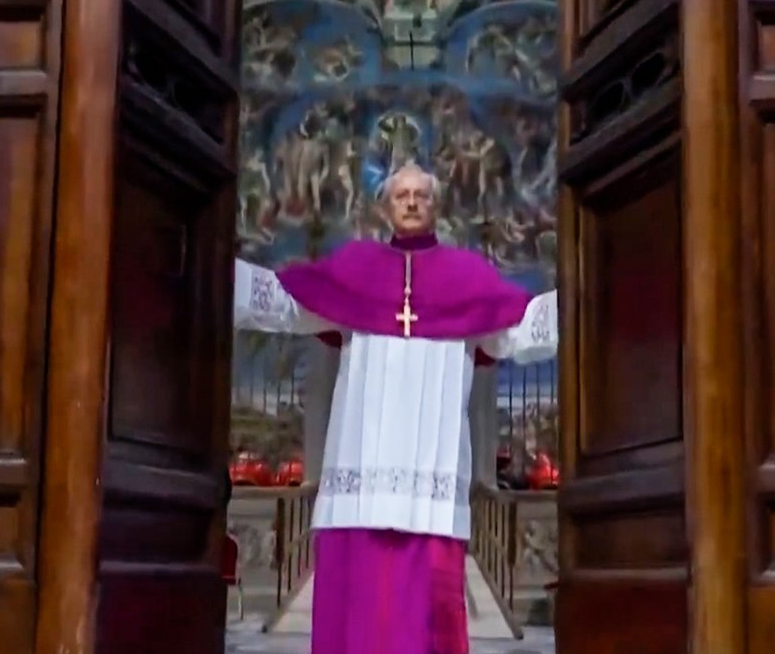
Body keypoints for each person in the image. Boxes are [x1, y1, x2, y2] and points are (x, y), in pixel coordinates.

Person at [232, 163, 557, 654]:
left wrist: (586, 289)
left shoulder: (469, 278)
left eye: (420, 195)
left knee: (422, 618)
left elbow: (521, 329)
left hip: (430, 483)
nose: (409, 202)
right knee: (360, 614)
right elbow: (283, 303)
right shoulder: (354, 270)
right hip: (358, 478)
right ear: (384, 207)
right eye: (401, 195)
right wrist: (218, 265)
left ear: (436, 205)